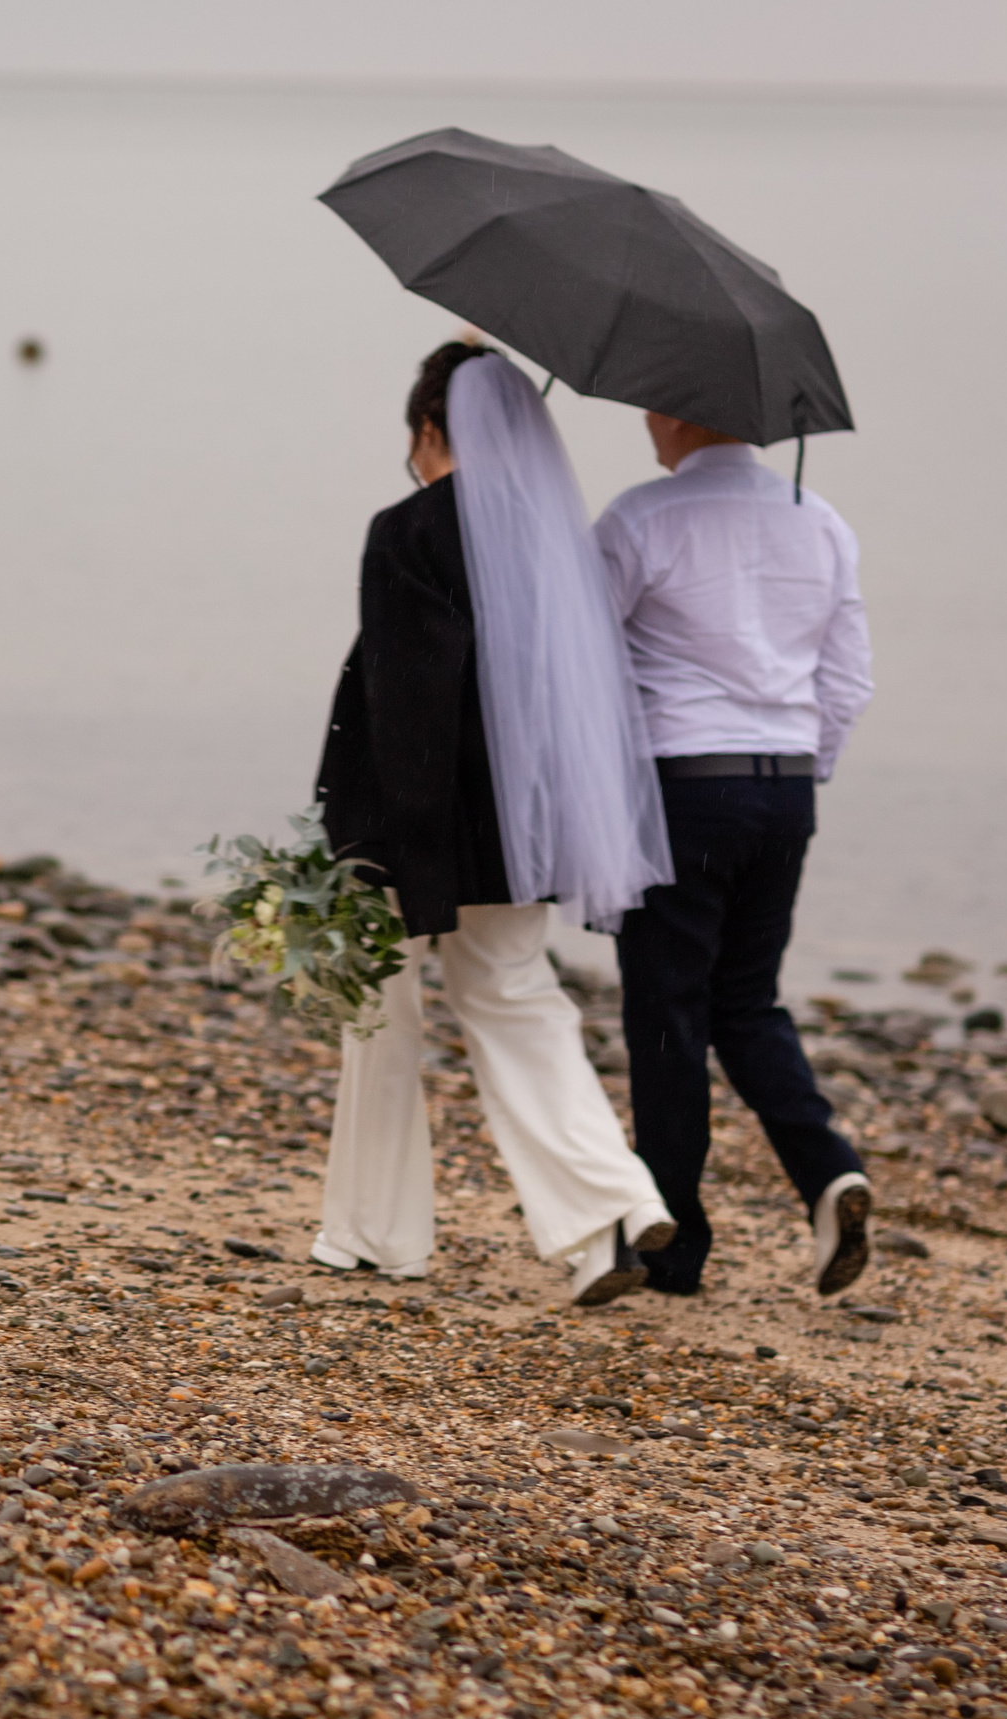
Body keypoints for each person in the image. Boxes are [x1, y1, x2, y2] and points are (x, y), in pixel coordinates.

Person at [312, 343, 676, 1306]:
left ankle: (374, 1235)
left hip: (417, 827)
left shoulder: (408, 530)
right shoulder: (554, 539)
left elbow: (407, 700)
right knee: (521, 1006)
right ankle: (616, 1216)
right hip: (528, 829)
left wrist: (388, 852)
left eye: (414, 439)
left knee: (378, 1018)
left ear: (432, 429)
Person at [595, 412, 876, 1298]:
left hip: (683, 786)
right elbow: (849, 679)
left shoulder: (638, 519)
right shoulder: (820, 520)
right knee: (748, 1002)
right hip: (786, 785)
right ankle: (827, 1169)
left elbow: (581, 660)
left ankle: (673, 1245)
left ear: (675, 410)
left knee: (669, 1010)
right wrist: (800, 767)